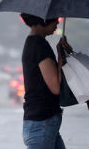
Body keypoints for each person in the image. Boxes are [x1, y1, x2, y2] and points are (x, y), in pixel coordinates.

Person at [20, 13, 72, 149]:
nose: (58, 23)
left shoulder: (34, 43)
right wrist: (61, 58)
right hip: (42, 122)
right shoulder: (39, 45)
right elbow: (55, 86)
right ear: (43, 19)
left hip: (44, 122)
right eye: (55, 19)